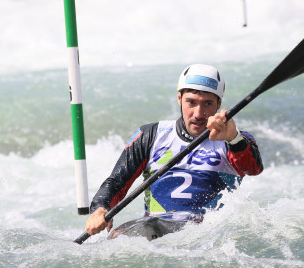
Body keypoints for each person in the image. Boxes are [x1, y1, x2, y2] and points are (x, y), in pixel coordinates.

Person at [86, 64, 264, 240]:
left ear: (219, 104)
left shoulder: (234, 140)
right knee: (120, 236)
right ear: (179, 98)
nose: (198, 113)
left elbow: (253, 168)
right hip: (157, 230)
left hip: (209, 234)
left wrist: (233, 138)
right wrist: (100, 208)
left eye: (208, 104)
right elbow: (117, 182)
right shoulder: (151, 135)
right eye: (191, 102)